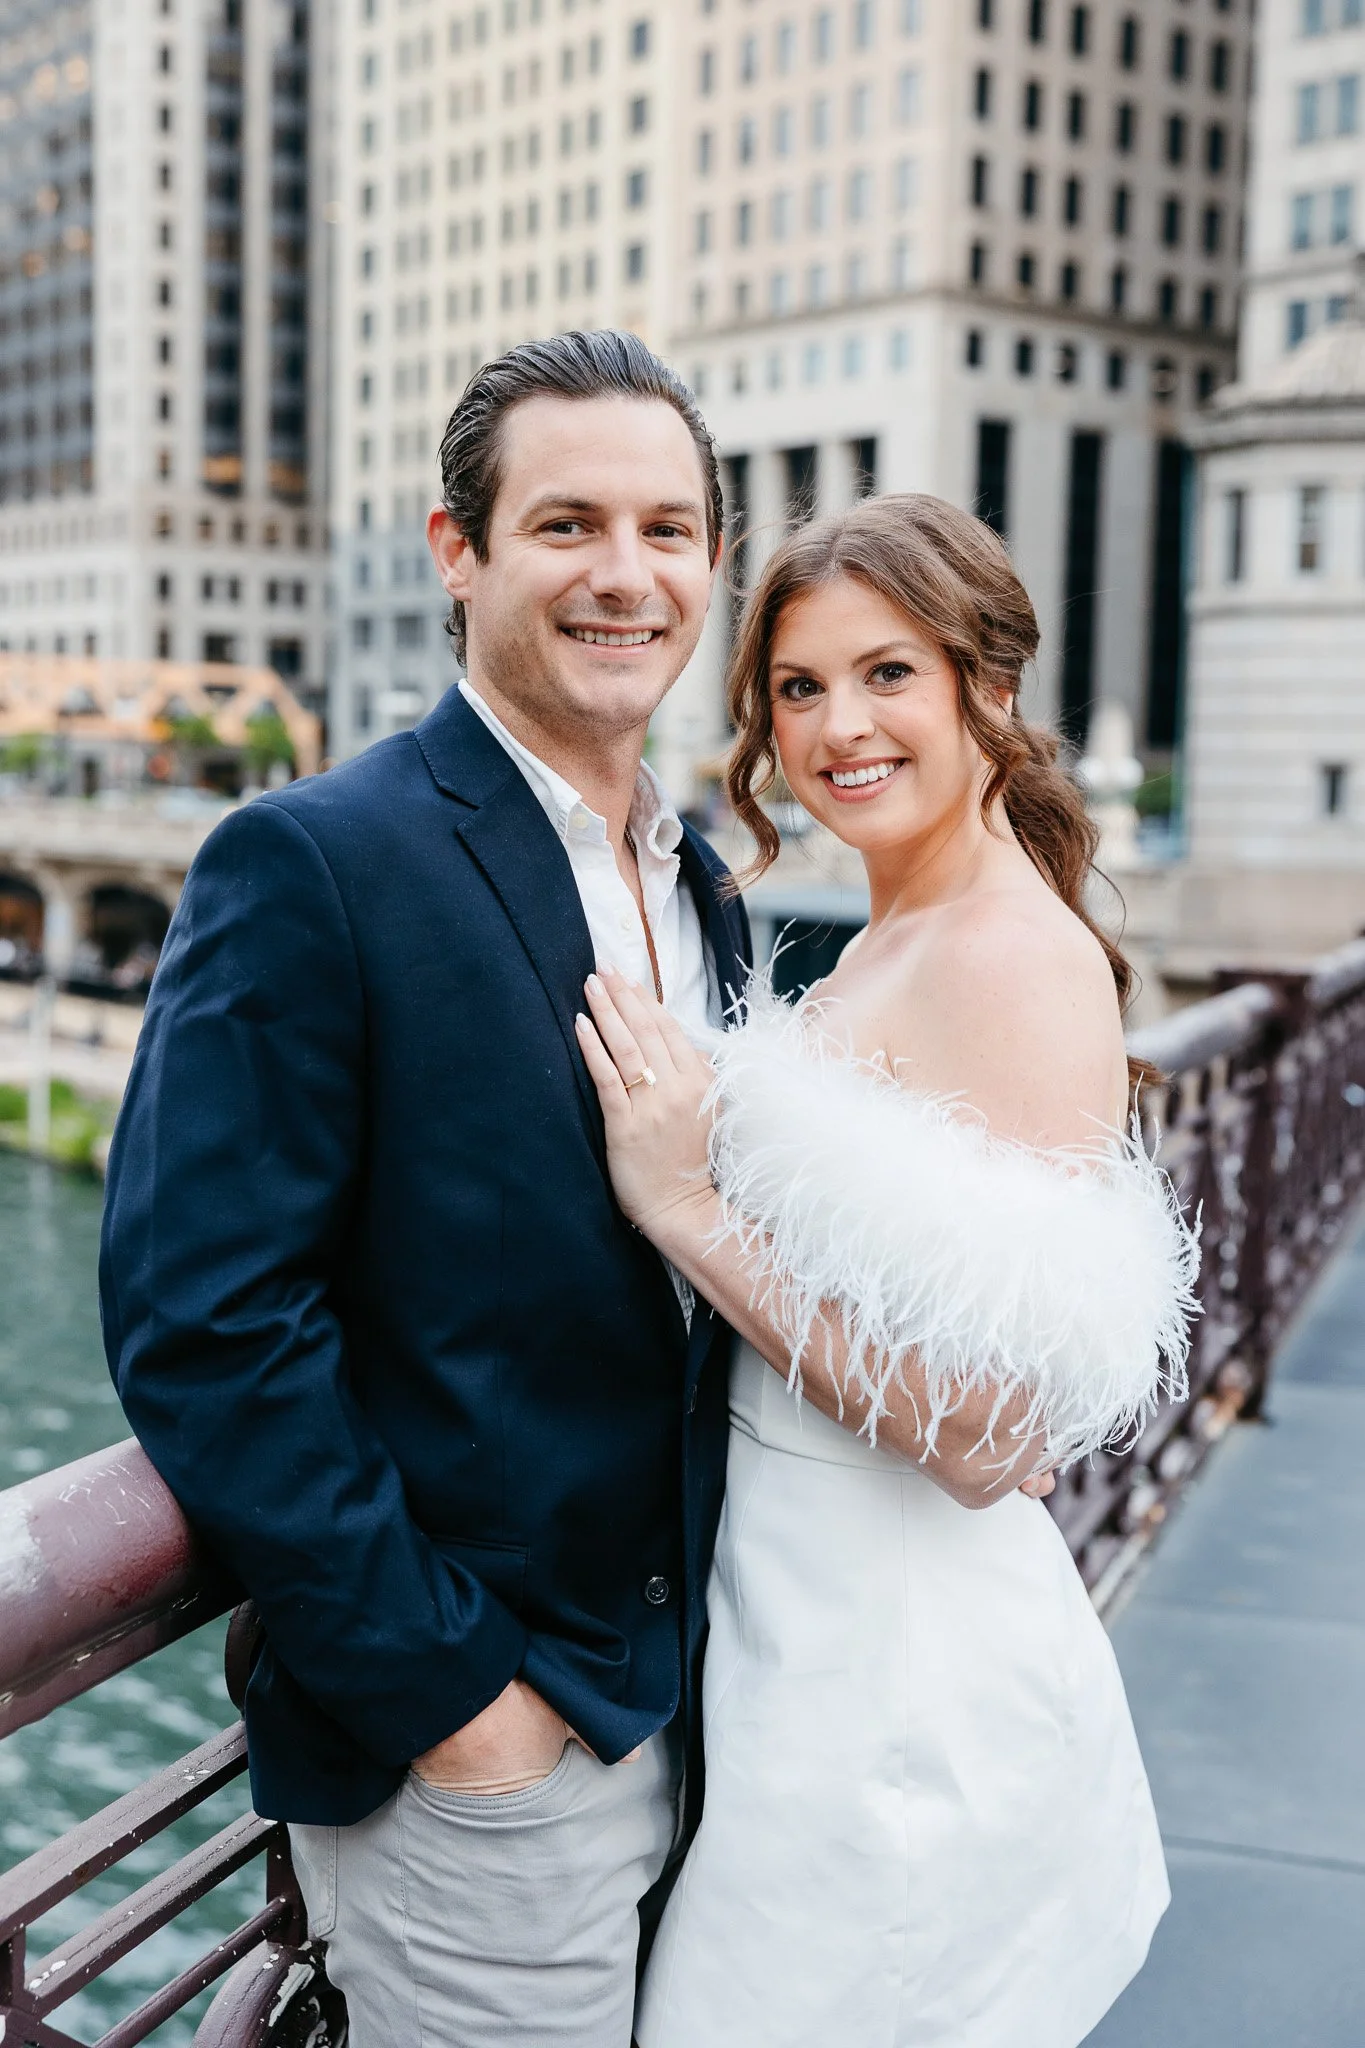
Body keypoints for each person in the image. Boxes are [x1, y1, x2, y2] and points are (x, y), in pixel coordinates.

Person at [100, 330, 758, 2048]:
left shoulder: (704, 889)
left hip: (718, 1726)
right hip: (487, 1766)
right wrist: (460, 1699)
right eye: (568, 526)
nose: (628, 576)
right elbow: (203, 1323)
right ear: (457, 551)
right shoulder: (312, 860)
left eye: (671, 530)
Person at [575, 494, 1200, 2048]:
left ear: (987, 688)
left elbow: (993, 1444)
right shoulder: (886, 942)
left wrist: (686, 1211)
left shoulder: (1007, 956)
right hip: (802, 1635)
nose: (837, 726)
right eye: (798, 688)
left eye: (887, 674)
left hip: (897, 1685)